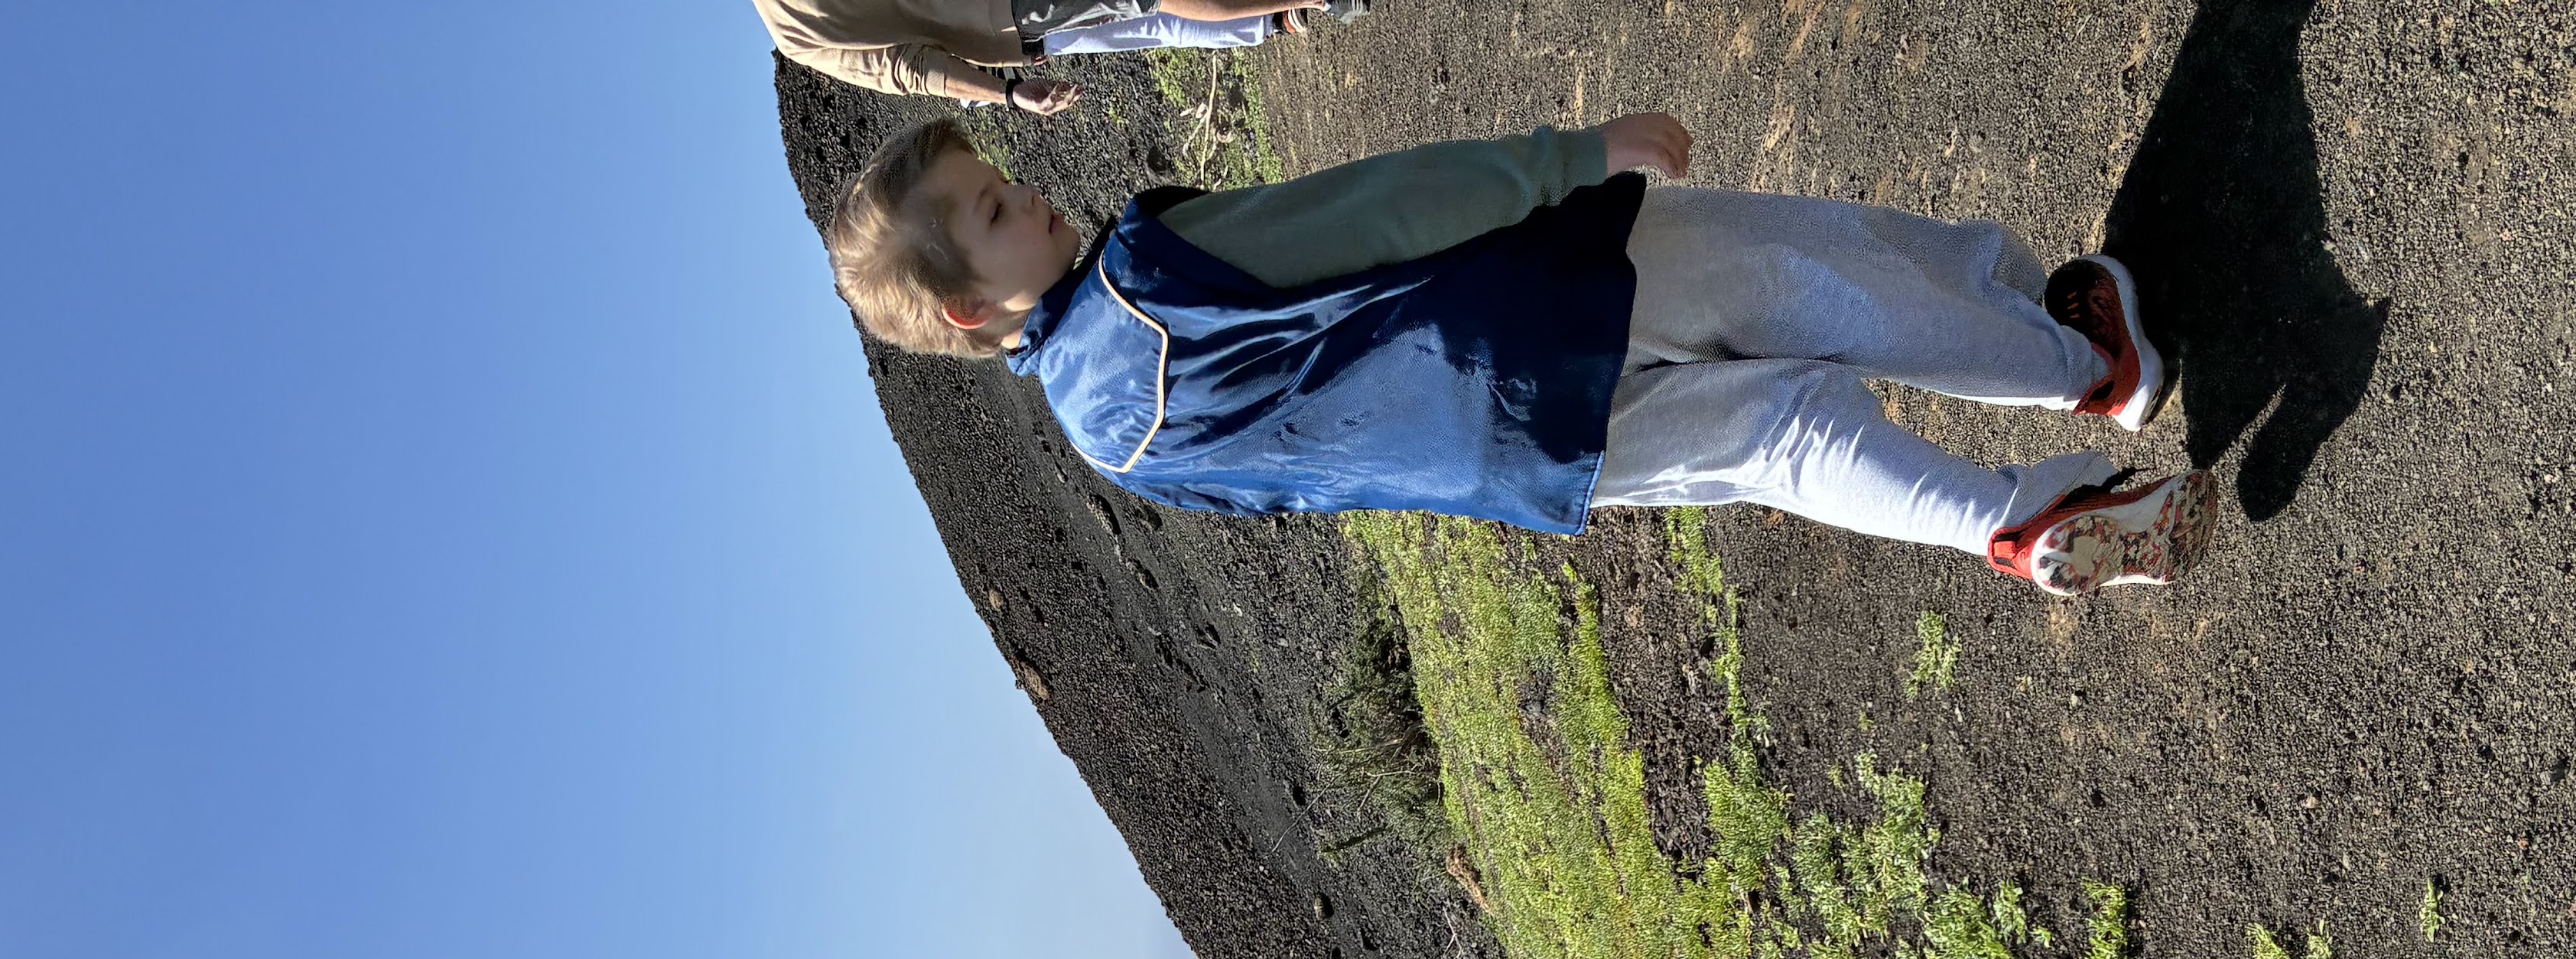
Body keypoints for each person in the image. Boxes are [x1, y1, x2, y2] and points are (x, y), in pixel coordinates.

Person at [822, 115, 2215, 594]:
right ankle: (2079, 362)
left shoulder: (1107, 440)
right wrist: (1567, 157)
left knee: (1783, 437)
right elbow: (1374, 210)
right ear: (967, 308)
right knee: (1808, 274)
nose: (1032, 197)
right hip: (1532, 296)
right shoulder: (1138, 269)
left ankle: (2020, 525)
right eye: (996, 212)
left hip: (1519, 455)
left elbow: (1311, 479)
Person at [757, 0, 1319, 112]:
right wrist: (1004, 91)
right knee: (1145, 9)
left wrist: (1004, 90)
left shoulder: (791, 31)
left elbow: (909, 70)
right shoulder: (793, 28)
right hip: (1008, 14)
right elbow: (909, 70)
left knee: (1140, 21)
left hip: (1008, 25)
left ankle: (1274, 17)